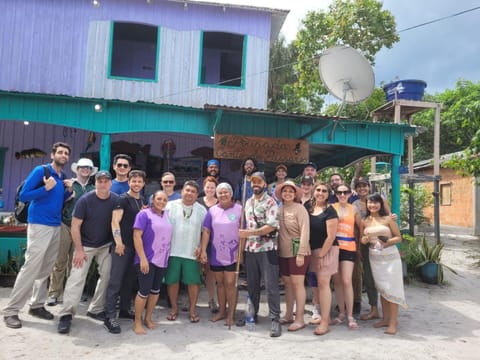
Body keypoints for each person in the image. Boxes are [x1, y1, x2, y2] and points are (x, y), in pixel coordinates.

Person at [3, 142, 73, 329]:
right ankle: (11, 311)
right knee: (31, 267)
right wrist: (45, 188)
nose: (63, 155)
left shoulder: (62, 176)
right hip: (39, 225)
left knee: (45, 268)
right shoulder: (41, 171)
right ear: (52, 155)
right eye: (60, 152)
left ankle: (36, 305)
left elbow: (57, 200)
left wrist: (68, 192)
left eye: (66, 153)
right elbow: (24, 195)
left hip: (55, 226)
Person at [57, 171, 119, 334]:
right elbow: (75, 226)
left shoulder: (115, 200)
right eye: (100, 181)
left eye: (106, 181)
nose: (103, 183)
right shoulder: (85, 200)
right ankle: (66, 314)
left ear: (111, 184)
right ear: (95, 183)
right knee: (76, 277)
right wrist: (78, 250)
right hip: (85, 245)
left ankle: (96, 308)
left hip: (105, 245)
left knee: (107, 275)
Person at [46, 158, 96, 306]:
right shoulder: (67, 183)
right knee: (60, 261)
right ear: (77, 169)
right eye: (82, 167)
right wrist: (68, 191)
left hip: (83, 230)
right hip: (65, 225)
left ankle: (73, 294)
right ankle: (54, 294)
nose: (85, 169)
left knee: (76, 264)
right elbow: (57, 202)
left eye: (88, 167)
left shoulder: (94, 188)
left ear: (91, 171)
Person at [239, 172, 282, 337]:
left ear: (264, 184)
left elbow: (271, 226)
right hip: (251, 250)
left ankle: (275, 319)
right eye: (253, 181)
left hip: (267, 249)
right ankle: (252, 314)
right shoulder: (248, 202)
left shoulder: (271, 202)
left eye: (259, 181)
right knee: (252, 285)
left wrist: (248, 234)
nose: (255, 184)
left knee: (271, 286)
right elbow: (245, 226)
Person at [104, 170, 146, 334]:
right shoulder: (122, 199)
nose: (136, 183)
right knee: (116, 281)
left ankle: (124, 309)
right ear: (129, 182)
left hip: (135, 247)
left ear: (143, 183)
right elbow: (115, 221)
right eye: (133, 181)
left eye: (139, 181)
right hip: (123, 247)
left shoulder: (141, 200)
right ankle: (109, 316)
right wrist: (118, 242)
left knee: (129, 280)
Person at [361, 193, 406, 335]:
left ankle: (393, 322)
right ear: (366, 204)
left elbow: (399, 237)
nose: (372, 205)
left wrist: (385, 242)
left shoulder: (388, 219)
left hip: (390, 258)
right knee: (382, 288)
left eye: (375, 202)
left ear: (381, 204)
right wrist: (365, 239)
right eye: (370, 202)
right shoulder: (365, 221)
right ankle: (385, 319)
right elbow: (362, 239)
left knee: (392, 288)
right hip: (374, 258)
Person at [164, 180, 207, 323]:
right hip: (172, 251)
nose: (189, 193)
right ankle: (174, 308)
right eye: (187, 190)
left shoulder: (201, 210)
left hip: (192, 252)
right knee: (172, 281)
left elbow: (205, 232)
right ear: (182, 191)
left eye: (193, 191)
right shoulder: (170, 206)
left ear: (197, 195)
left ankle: (193, 309)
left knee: (193, 282)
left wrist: (202, 248)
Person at [200, 183, 242, 327]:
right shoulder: (212, 211)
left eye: (226, 192)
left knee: (231, 283)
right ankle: (222, 311)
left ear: (231, 194)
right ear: (217, 195)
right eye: (220, 193)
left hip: (233, 254)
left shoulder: (239, 210)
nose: (223, 195)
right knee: (220, 284)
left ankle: (231, 314)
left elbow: (244, 233)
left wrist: (242, 253)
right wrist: (204, 250)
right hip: (216, 254)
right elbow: (206, 231)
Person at [132, 190, 173, 335]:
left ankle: (148, 318)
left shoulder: (167, 215)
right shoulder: (144, 214)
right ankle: (137, 321)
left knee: (155, 290)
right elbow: (137, 236)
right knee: (144, 291)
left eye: (164, 199)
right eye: (159, 199)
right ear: (152, 200)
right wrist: (142, 258)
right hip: (147, 259)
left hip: (162, 260)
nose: (161, 202)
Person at [275, 180, 310, 332]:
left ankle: (300, 318)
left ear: (295, 194)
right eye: (285, 191)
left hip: (298, 252)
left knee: (298, 284)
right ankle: (289, 314)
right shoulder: (279, 209)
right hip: (284, 252)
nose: (287, 193)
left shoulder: (300, 209)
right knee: (287, 284)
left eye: (290, 191)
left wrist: (301, 253)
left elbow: (305, 231)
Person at [305, 181, 339, 336]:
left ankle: (325, 322)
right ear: (313, 191)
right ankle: (322, 316)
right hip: (312, 250)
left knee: (324, 283)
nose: (320, 193)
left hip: (327, 249)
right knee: (316, 285)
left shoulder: (330, 211)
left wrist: (321, 255)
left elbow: (331, 236)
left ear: (328, 194)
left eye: (324, 191)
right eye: (318, 190)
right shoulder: (307, 207)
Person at [331, 184, 362, 330]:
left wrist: (361, 246)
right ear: (335, 194)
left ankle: (350, 315)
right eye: (339, 192)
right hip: (334, 247)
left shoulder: (354, 209)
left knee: (346, 280)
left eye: (345, 192)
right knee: (336, 281)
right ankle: (341, 313)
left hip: (349, 247)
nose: (342, 195)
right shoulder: (331, 207)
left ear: (350, 194)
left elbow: (361, 228)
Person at [196, 176, 219, 314]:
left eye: (212, 187)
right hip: (197, 241)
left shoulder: (219, 203)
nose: (210, 189)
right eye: (208, 187)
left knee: (210, 273)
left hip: (214, 243)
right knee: (195, 271)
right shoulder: (197, 202)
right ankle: (192, 300)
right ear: (203, 188)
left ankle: (212, 300)